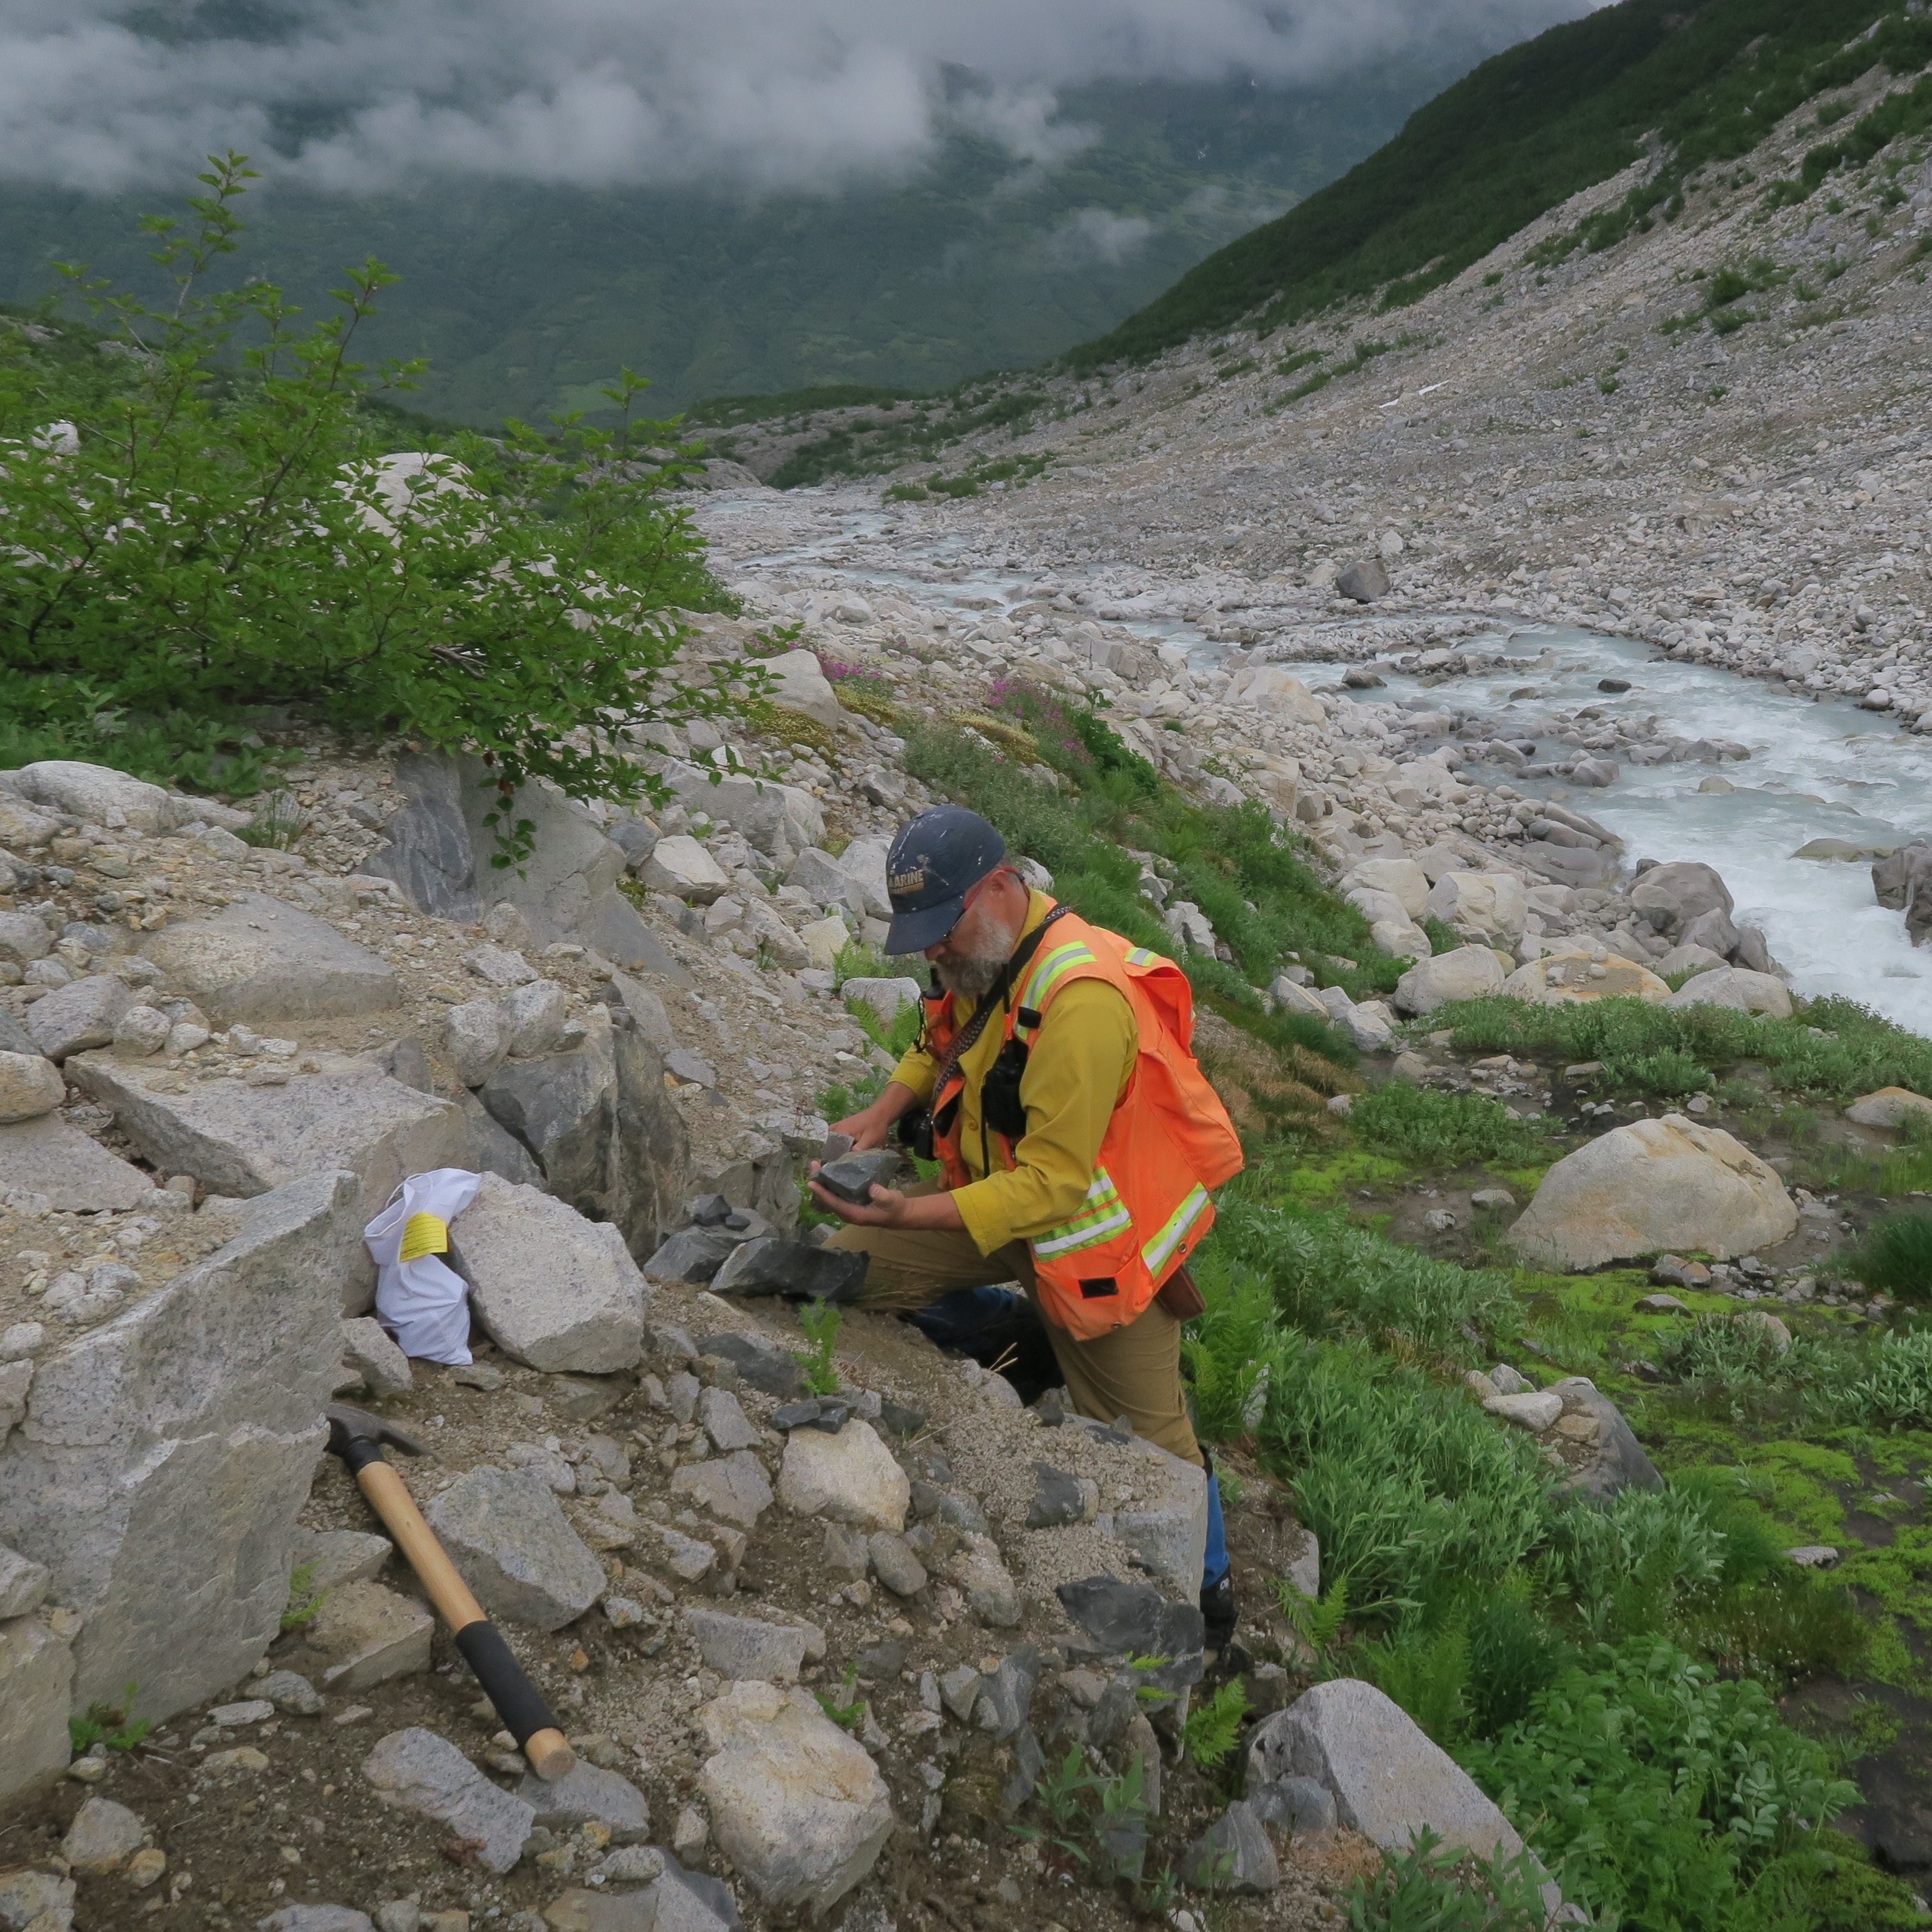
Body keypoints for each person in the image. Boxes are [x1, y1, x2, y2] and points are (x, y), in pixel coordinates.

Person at [807, 803, 1246, 1651]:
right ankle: (1019, 1331)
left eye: (944, 928)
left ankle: (1213, 1592)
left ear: (1001, 887)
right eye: (922, 934)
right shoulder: (978, 955)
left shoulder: (1079, 999)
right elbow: (939, 1037)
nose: (934, 950)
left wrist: (906, 1208)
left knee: (1152, 1447)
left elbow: (1052, 1186)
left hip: (1097, 1248)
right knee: (845, 1268)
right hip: (988, 1206)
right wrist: (881, 1110)